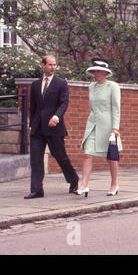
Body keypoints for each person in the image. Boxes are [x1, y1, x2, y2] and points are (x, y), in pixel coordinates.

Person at [25, 55, 79, 199]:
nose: (53, 67)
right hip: (37, 128)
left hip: (54, 127)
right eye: (50, 65)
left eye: (55, 65)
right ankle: (37, 190)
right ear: (42, 65)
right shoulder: (35, 84)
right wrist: (31, 125)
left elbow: (64, 103)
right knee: (35, 158)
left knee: (60, 156)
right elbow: (33, 107)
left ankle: (74, 179)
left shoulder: (61, 83)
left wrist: (56, 117)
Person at [77, 58, 122, 197]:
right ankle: (84, 184)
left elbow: (116, 108)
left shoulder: (113, 86)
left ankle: (114, 184)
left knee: (111, 157)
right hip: (92, 124)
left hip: (108, 125)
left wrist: (115, 128)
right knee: (87, 154)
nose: (96, 73)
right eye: (95, 71)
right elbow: (92, 107)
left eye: (99, 71)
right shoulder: (91, 87)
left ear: (105, 72)